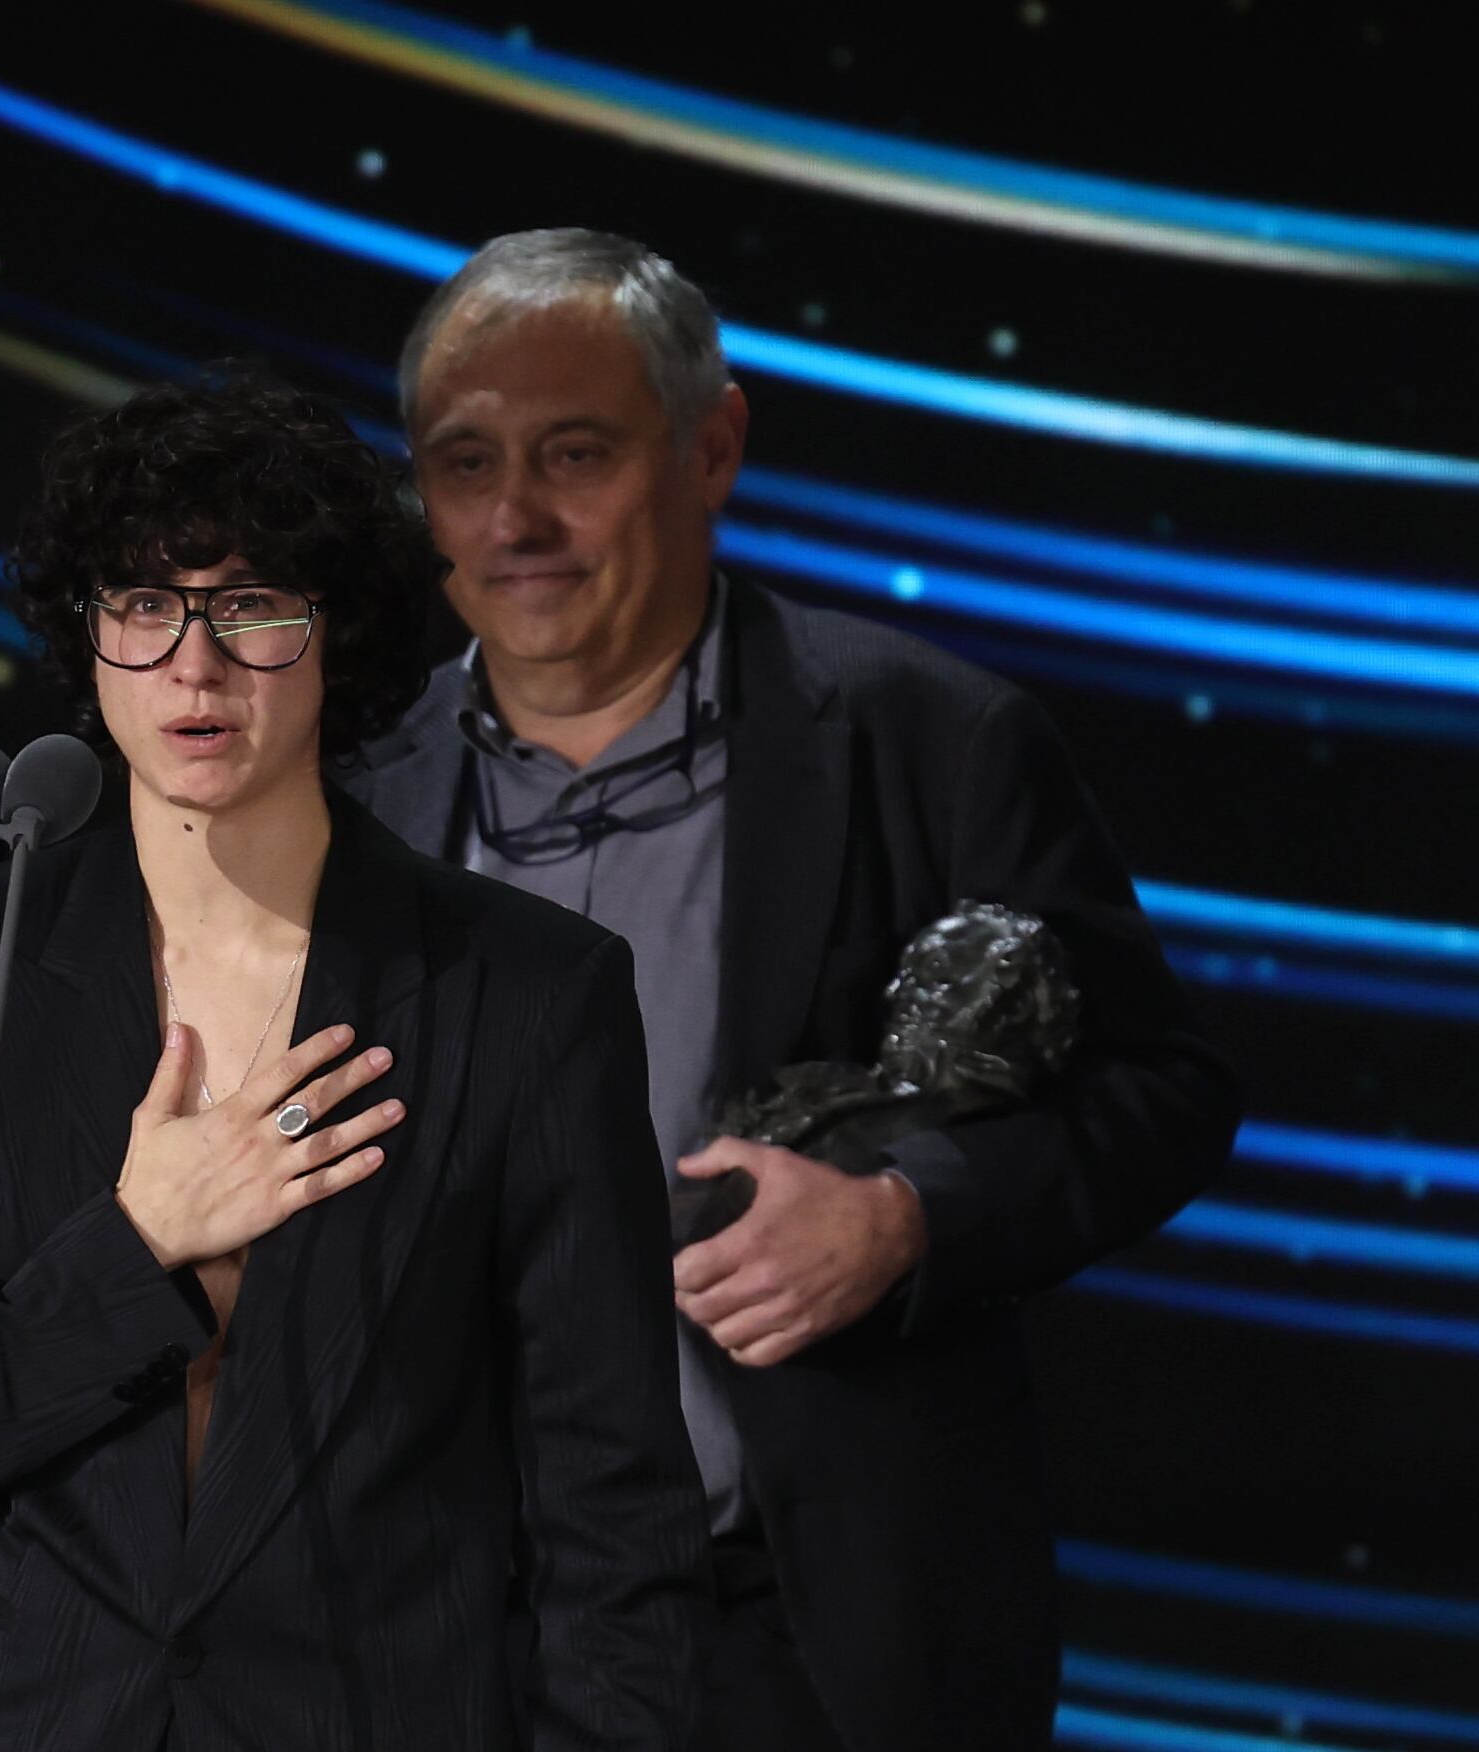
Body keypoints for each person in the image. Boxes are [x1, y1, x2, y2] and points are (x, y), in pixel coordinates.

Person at [342, 229, 1239, 1751]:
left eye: (575, 453)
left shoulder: (926, 737)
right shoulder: (350, 794)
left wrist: (908, 1218)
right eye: (464, 463)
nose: (516, 519)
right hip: (435, 1647)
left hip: (799, 1640)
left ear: (714, 448)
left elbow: (1164, 1094)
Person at [0, 372, 711, 1751]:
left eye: (254, 609)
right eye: (146, 605)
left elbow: (614, 1524)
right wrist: (136, 1240)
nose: (195, 666)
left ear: (339, 637)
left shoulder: (525, 994)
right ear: (89, 637)